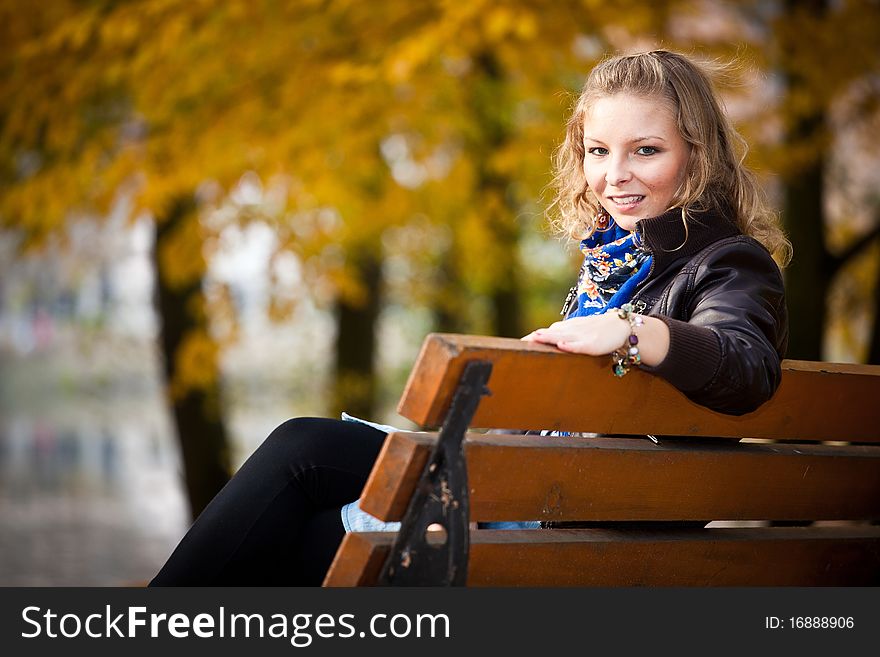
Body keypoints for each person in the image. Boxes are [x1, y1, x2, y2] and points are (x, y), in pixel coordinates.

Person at [149, 49, 789, 586]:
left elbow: (746, 364)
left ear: (697, 156)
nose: (613, 175)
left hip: (559, 519)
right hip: (540, 498)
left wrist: (632, 331)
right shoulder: (621, 265)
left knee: (302, 453)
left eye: (644, 151)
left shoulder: (729, 263)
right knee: (308, 530)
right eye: (598, 151)